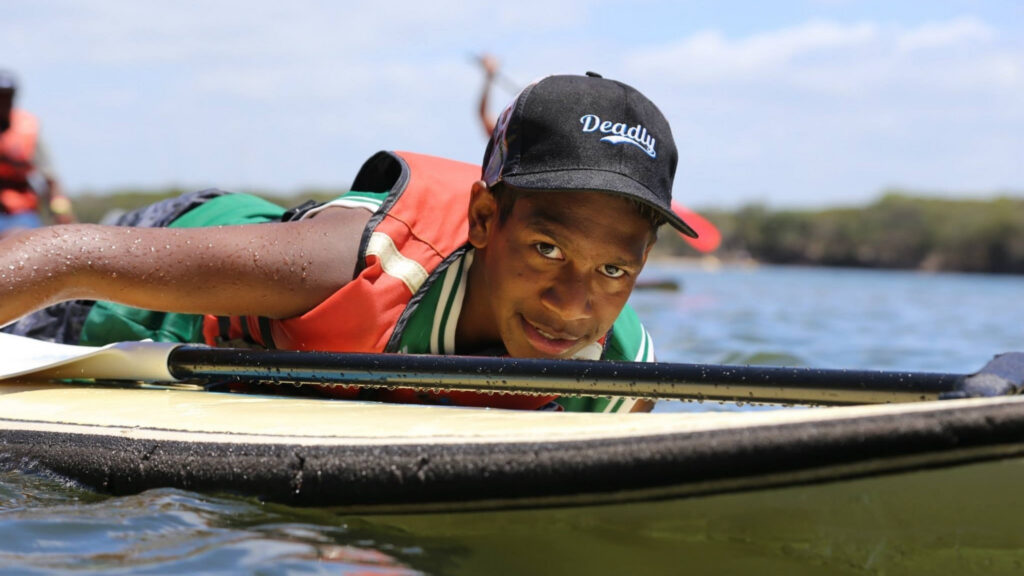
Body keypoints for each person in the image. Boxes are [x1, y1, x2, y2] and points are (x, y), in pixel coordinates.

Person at [0, 72, 697, 412]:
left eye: (612, 270)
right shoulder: (365, 260)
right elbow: (68, 259)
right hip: (126, 295)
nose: (574, 304)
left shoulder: (622, 370)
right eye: (547, 250)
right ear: (484, 220)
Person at [0, 70, 75, 239]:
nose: (3, 101)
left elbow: (50, 178)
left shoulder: (27, 129)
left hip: (20, 213)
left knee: (21, 239)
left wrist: (61, 211)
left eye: (7, 96)